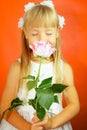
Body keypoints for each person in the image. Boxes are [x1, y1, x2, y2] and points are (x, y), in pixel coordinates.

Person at [0, 0, 80, 130]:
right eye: (35, 34)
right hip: (21, 126)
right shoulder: (18, 67)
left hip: (53, 123)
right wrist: (28, 127)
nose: (42, 39)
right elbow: (5, 106)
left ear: (57, 32)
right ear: (25, 33)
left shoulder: (64, 68)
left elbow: (74, 105)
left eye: (48, 33)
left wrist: (52, 123)